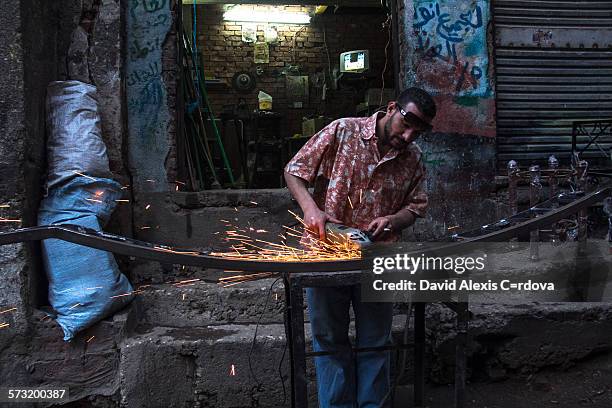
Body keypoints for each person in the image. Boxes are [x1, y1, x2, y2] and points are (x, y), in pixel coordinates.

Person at [284, 87, 436, 408]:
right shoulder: (343, 130)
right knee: (329, 340)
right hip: (326, 252)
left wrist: (393, 220)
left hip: (377, 258)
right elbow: (294, 171)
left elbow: (417, 206)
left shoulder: (413, 159)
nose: (408, 136)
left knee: (376, 342)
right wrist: (311, 210)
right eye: (405, 125)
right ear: (392, 108)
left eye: (417, 132)